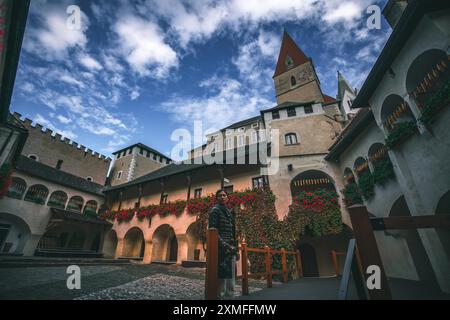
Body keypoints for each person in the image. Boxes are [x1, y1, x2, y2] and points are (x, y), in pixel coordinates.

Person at [208, 189, 237, 299]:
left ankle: (229, 298)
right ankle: (221, 298)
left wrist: (234, 247)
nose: (222, 197)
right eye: (220, 195)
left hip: (231, 248)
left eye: (224, 195)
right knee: (222, 277)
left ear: (227, 198)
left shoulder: (228, 212)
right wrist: (224, 245)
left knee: (231, 277)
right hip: (221, 248)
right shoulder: (215, 210)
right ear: (217, 198)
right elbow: (213, 230)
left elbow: (232, 232)